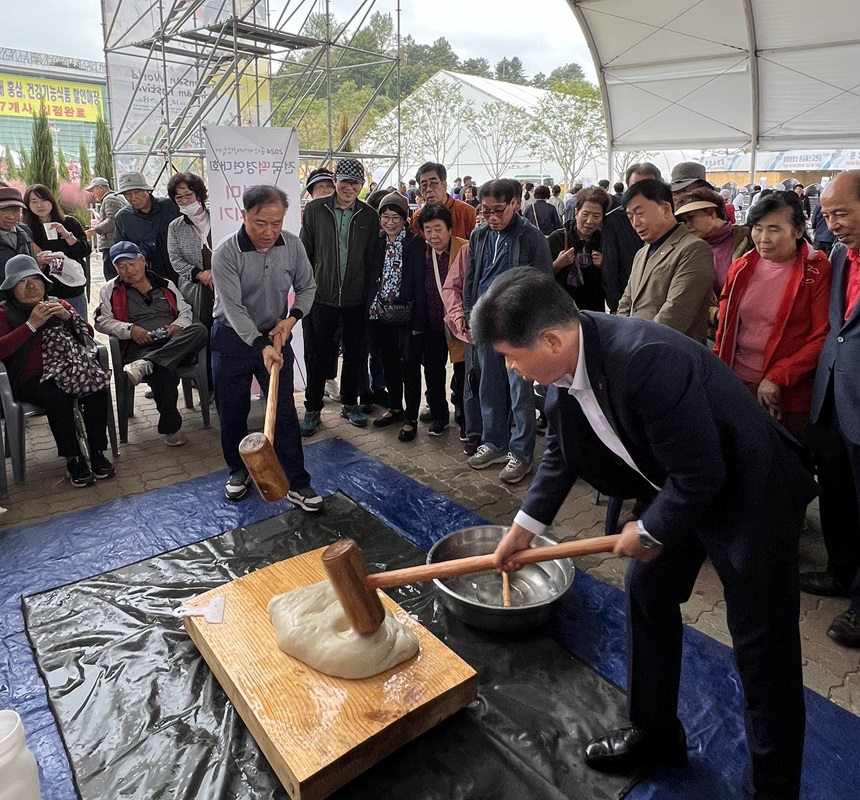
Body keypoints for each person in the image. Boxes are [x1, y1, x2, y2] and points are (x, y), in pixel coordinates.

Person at [477, 267, 817, 800]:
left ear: (550, 339)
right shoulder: (564, 367)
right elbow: (565, 451)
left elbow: (705, 473)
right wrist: (525, 528)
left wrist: (653, 529)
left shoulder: (642, 359)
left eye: (510, 356)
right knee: (648, 591)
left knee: (762, 642)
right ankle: (654, 732)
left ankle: (774, 788)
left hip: (751, 493)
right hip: (682, 481)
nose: (511, 368)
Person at [210, 185, 321, 508]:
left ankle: (297, 481)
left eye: (277, 223)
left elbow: (307, 286)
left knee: (284, 411)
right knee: (232, 411)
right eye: (260, 223)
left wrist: (291, 320)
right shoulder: (226, 253)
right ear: (244, 216)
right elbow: (233, 309)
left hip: (275, 334)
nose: (269, 232)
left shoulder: (293, 246)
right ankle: (238, 470)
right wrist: (260, 345)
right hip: (232, 337)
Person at [714, 190, 831, 441]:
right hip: (738, 384)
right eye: (758, 228)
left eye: (774, 229)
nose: (763, 238)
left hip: (787, 394)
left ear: (798, 231)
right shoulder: (742, 266)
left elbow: (822, 336)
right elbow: (725, 329)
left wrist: (778, 376)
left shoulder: (817, 269)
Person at [462, 178, 552, 484]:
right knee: (489, 385)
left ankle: (522, 453)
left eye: (498, 210)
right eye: (486, 211)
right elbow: (471, 278)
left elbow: (543, 287)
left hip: (518, 327)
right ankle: (494, 441)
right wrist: (468, 315)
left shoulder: (532, 238)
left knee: (520, 391)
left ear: (515, 202)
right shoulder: (479, 235)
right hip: (485, 322)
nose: (492, 217)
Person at [804, 170, 860, 647]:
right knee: (837, 497)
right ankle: (840, 573)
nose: (833, 223)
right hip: (833, 398)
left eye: (842, 212)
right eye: (827, 214)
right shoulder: (840, 257)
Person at [0, 254, 114, 486]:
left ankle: (97, 452)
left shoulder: (59, 304)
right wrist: (30, 325)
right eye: (22, 282)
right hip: (30, 379)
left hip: (69, 370)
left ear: (45, 282)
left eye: (35, 279)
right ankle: (73, 459)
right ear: (11, 288)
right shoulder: (4, 313)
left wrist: (69, 318)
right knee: (58, 396)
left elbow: (88, 337)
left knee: (97, 387)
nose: (31, 286)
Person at [95, 241, 209, 447]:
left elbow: (186, 312)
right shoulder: (110, 290)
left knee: (199, 330)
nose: (128, 270)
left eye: (131, 264)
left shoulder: (165, 283)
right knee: (163, 372)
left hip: (175, 342)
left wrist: (176, 326)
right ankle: (171, 429)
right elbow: (101, 321)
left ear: (143, 261)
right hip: (140, 346)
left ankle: (149, 362)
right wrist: (130, 330)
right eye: (121, 266)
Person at [299, 157, 378, 435]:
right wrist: (307, 288)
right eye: (345, 181)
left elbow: (371, 260)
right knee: (318, 355)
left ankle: (350, 403)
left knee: (355, 354)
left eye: (355, 183)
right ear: (335, 181)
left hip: (356, 298)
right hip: (322, 296)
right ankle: (312, 408)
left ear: (361, 186)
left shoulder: (369, 215)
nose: (349, 187)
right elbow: (305, 252)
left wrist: (369, 296)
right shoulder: (315, 210)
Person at [617, 179, 715, 343]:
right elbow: (626, 302)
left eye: (640, 214)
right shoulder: (642, 253)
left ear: (666, 209)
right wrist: (620, 335)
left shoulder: (693, 249)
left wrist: (634, 343)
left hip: (670, 351)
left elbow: (674, 314)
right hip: (634, 349)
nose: (635, 223)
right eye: (630, 217)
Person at [365, 192, 426, 442]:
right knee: (389, 363)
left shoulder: (415, 245)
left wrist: (419, 322)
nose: (390, 222)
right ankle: (396, 408)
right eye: (385, 216)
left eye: (396, 217)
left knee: (409, 366)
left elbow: (421, 284)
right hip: (381, 316)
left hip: (408, 316)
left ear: (405, 219)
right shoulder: (377, 244)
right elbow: (371, 281)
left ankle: (411, 417)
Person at [417, 202, 469, 437]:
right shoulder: (421, 252)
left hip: (460, 325)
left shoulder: (465, 249)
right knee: (433, 371)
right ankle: (440, 415)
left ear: (450, 228)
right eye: (428, 229)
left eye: (438, 228)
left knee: (463, 371)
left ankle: (464, 414)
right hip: (432, 322)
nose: (433, 235)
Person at [166, 172, 214, 392]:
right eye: (179, 198)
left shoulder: (219, 216)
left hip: (224, 283)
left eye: (188, 195)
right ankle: (206, 383)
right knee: (201, 330)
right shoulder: (175, 227)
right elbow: (175, 259)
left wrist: (217, 272)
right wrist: (199, 273)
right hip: (195, 288)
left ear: (199, 194)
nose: (185, 201)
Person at [22, 184, 90, 320]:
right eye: (34, 201)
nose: (39, 205)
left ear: (51, 201)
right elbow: (23, 259)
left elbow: (84, 250)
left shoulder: (69, 222)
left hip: (72, 287)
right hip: (44, 290)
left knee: (78, 326)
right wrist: (39, 260)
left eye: (43, 200)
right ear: (28, 205)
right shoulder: (26, 230)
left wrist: (66, 234)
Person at [600, 163, 661, 313]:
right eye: (635, 187)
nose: (640, 194)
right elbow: (610, 267)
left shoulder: (667, 216)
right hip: (627, 304)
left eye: (647, 187)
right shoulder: (613, 221)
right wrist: (617, 306)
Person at [673, 186, 751, 295]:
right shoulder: (690, 249)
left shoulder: (748, 238)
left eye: (690, 218)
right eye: (684, 221)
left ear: (712, 213)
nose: (688, 225)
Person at [547, 186, 610, 311]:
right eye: (585, 214)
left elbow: (617, 278)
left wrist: (606, 265)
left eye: (596, 216)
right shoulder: (557, 238)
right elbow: (540, 275)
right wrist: (558, 264)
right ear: (576, 212)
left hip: (594, 308)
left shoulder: (604, 241)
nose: (589, 221)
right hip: (561, 309)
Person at [114, 172, 181, 282]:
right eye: (127, 194)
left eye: (137, 192)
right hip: (148, 278)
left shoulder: (170, 206)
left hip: (180, 273)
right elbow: (122, 250)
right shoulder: (123, 217)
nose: (133, 198)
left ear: (147, 190)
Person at [409, 162, 476, 241]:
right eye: (424, 185)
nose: (428, 189)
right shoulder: (417, 218)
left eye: (433, 183)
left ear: (444, 185)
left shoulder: (467, 212)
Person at [0, 185, 52, 285]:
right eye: (4, 210)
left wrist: (39, 262)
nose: (11, 216)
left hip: (25, 295)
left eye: (15, 211)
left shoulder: (24, 231)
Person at [84, 177, 128, 281]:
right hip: (115, 243)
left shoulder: (110, 199)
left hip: (111, 244)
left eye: (92, 190)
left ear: (100, 188)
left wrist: (95, 230)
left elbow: (112, 220)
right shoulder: (115, 197)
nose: (92, 194)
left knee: (112, 276)